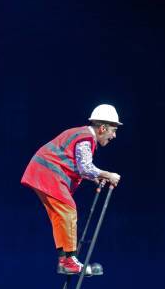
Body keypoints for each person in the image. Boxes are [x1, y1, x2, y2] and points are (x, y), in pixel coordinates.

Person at [21, 104, 122, 274]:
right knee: (68, 211)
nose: (114, 135)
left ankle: (64, 261)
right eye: (113, 130)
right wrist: (108, 174)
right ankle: (69, 261)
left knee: (60, 216)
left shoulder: (82, 135)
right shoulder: (86, 138)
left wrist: (95, 177)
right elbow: (84, 167)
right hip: (48, 174)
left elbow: (78, 166)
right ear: (103, 128)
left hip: (41, 173)